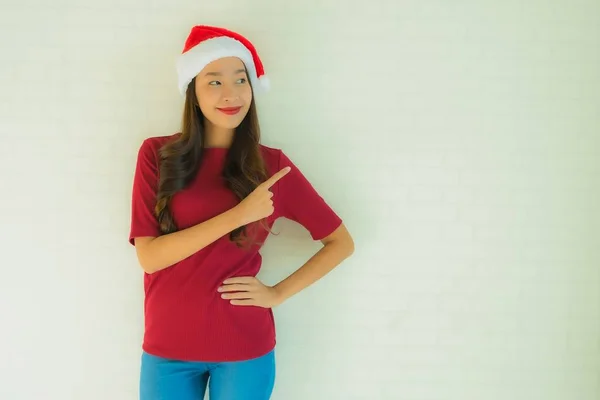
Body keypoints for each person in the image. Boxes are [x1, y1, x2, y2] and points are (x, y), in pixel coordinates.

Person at [128, 25, 355, 400]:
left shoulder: (272, 166)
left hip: (244, 346)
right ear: (193, 92)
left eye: (240, 79)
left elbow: (340, 243)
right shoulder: (157, 155)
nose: (231, 93)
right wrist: (238, 215)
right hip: (167, 344)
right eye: (214, 82)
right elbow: (150, 257)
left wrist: (277, 293)